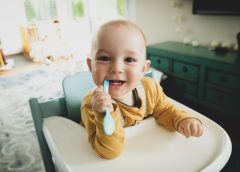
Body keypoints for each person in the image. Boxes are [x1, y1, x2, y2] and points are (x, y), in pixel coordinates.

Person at [81, 19, 204, 159]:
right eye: (104, 58)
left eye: (129, 59)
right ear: (91, 65)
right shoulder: (91, 105)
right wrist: (103, 114)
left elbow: (165, 110)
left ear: (144, 69)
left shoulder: (149, 89)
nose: (116, 68)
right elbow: (109, 152)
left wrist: (182, 120)